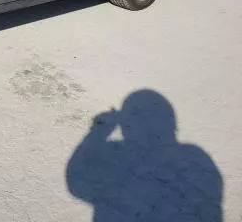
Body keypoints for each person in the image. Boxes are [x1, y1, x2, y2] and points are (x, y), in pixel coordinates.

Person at [66, 90, 222, 222]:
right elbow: (77, 179)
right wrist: (97, 134)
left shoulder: (191, 159)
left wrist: (97, 133)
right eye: (137, 117)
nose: (146, 125)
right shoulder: (112, 153)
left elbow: (78, 179)